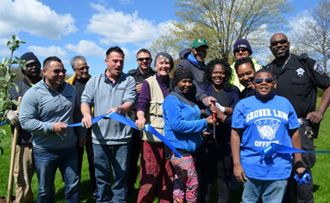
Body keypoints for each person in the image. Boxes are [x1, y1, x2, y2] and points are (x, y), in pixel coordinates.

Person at [266, 32, 330, 203]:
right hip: (277, 129)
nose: (279, 45)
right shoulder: (268, 69)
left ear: (288, 43)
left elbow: (328, 86)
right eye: (275, 43)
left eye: (282, 42)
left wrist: (320, 112)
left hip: (301, 127)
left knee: (302, 168)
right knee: (280, 169)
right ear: (270, 47)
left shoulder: (306, 64)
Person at [231, 69, 306, 203]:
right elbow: (235, 134)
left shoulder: (285, 103)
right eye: (259, 81)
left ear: (275, 84)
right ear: (253, 84)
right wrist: (237, 164)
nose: (263, 83)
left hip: (279, 167)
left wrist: (298, 161)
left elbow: (295, 133)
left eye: (268, 80)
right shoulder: (243, 105)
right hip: (251, 167)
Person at [19, 56, 80, 203]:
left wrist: (82, 134)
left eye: (63, 71)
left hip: (69, 149)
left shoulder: (71, 89)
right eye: (56, 71)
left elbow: (77, 113)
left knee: (72, 186)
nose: (61, 74)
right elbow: (25, 121)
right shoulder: (33, 94)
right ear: (44, 72)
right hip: (45, 151)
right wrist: (51, 127)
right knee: (45, 190)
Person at [81, 46, 136, 202]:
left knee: (120, 179)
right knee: (102, 178)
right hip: (99, 140)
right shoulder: (94, 81)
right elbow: (85, 100)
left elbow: (130, 102)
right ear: (106, 62)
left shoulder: (129, 80)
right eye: (115, 61)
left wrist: (120, 108)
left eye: (121, 61)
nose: (118, 64)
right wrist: (86, 114)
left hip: (122, 140)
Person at [163, 67, 214, 203]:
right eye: (184, 81)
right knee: (193, 183)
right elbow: (177, 125)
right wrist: (204, 122)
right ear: (176, 82)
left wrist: (201, 131)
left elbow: (190, 120)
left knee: (180, 181)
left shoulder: (187, 97)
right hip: (178, 149)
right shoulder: (172, 100)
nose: (187, 84)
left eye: (190, 81)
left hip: (189, 148)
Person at [197, 59, 240, 203]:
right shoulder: (203, 90)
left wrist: (223, 114)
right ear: (210, 73)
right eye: (215, 72)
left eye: (222, 72)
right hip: (206, 140)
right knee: (206, 179)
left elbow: (237, 112)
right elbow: (196, 110)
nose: (218, 75)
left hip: (226, 140)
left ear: (226, 73)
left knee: (224, 178)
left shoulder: (233, 90)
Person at [135, 52, 174, 203]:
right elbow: (142, 103)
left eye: (167, 63)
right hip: (152, 140)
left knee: (168, 177)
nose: (164, 66)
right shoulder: (148, 83)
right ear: (155, 65)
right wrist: (141, 116)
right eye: (161, 63)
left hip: (170, 140)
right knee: (149, 178)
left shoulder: (173, 84)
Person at [6, 52, 42, 203]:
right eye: (29, 65)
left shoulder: (47, 85)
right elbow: (4, 107)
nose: (33, 67)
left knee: (46, 180)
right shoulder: (16, 88)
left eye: (36, 64)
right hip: (23, 140)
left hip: (45, 141)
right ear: (22, 68)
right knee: (22, 179)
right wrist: (8, 113)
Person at [66, 56, 96, 194]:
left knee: (94, 162)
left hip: (93, 130)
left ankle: (95, 189)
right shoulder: (68, 85)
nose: (85, 70)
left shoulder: (94, 82)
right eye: (81, 68)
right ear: (74, 70)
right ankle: (75, 190)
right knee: (74, 163)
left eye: (86, 67)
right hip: (74, 131)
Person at [127, 48, 155, 194]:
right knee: (131, 158)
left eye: (147, 59)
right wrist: (133, 89)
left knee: (149, 159)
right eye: (141, 59)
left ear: (151, 60)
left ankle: (149, 188)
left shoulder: (156, 75)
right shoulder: (130, 77)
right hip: (133, 121)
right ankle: (130, 187)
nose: (144, 61)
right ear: (137, 61)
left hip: (150, 120)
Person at [176, 37, 214, 107]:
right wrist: (204, 98)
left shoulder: (205, 68)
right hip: (190, 105)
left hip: (205, 105)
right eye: (198, 50)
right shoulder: (184, 64)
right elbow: (191, 84)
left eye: (204, 50)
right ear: (193, 50)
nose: (201, 53)